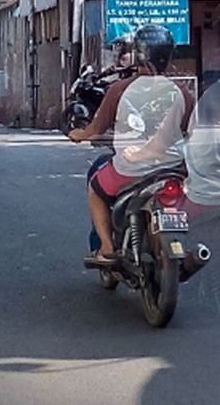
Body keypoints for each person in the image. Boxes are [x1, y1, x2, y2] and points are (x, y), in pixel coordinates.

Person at [70, 24, 193, 265]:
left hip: (130, 170)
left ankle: (106, 247)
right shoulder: (182, 92)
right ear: (168, 57)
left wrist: (79, 134)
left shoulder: (119, 89)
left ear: (138, 54)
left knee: (96, 189)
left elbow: (95, 130)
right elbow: (189, 130)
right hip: (172, 169)